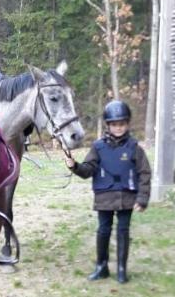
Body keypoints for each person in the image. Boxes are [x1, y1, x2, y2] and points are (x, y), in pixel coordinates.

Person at [63, 99, 151, 283]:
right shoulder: (98, 147)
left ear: (127, 124)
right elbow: (88, 170)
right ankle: (101, 266)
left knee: (123, 231)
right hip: (105, 197)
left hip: (127, 197)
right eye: (114, 124)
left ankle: (121, 269)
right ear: (108, 125)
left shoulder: (134, 147)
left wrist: (142, 199)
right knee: (103, 231)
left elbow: (144, 173)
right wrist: (75, 166)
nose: (118, 128)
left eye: (122, 124)